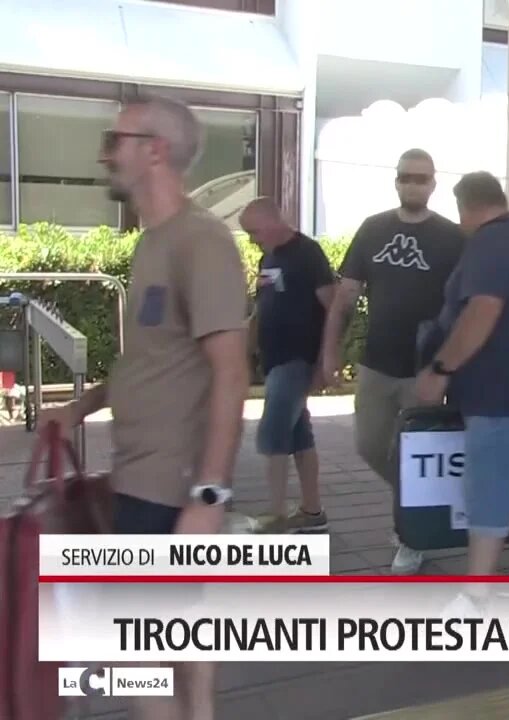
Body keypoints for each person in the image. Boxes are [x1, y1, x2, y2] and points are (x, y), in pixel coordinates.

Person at [42, 95, 250, 720]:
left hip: (171, 486)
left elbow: (231, 373)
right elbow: (154, 361)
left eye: (116, 139)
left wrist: (209, 497)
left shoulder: (202, 242)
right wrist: (80, 408)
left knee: (136, 649)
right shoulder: (153, 243)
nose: (106, 153)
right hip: (145, 480)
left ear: (154, 151)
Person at [319, 148, 466, 574]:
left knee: (416, 452)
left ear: (433, 183)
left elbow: (467, 302)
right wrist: (330, 351)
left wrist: (449, 363)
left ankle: (412, 535)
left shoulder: (451, 236)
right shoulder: (373, 228)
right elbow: (345, 295)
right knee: (369, 446)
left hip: (425, 365)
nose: (413, 184)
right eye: (406, 176)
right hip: (377, 361)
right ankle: (424, 501)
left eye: (421, 178)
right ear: (396, 180)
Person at [414, 171, 509, 581]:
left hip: (503, 388)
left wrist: (441, 368)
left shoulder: (493, 240)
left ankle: (475, 598)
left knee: (488, 488)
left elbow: (482, 310)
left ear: (465, 206)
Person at [241, 197, 335, 534]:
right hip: (274, 357)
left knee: (272, 433)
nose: (252, 239)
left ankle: (276, 514)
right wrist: (246, 351)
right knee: (298, 435)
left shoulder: (307, 253)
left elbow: (333, 306)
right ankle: (312, 511)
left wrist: (326, 359)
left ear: (271, 221)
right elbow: (261, 306)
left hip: (298, 357)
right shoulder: (269, 256)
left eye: (253, 231)